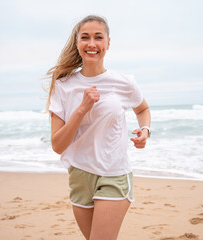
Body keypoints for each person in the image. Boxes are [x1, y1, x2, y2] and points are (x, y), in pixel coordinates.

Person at [46, 15, 151, 240]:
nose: (91, 43)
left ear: (108, 43)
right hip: (80, 175)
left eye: (98, 37)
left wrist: (145, 131)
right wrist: (82, 109)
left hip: (114, 172)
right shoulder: (63, 86)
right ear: (77, 43)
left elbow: (142, 110)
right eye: (85, 37)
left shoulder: (124, 82)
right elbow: (57, 145)